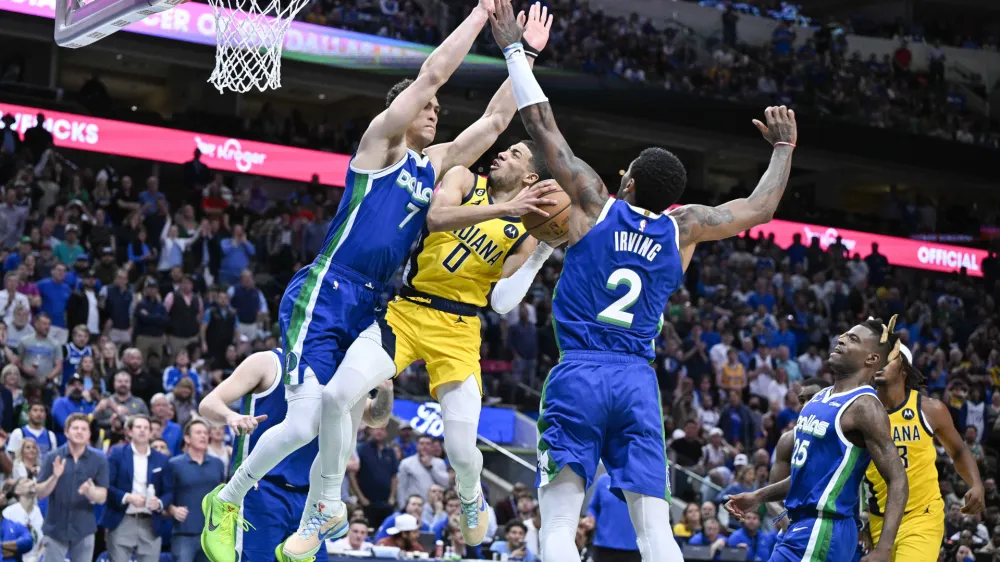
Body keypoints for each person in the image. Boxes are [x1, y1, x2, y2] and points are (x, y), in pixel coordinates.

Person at [201, 1, 553, 560]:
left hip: (372, 303)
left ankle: (322, 505)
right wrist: (482, 15)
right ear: (404, 108)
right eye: (428, 106)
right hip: (328, 289)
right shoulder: (380, 147)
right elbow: (433, 72)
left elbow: (493, 120)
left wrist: (526, 54)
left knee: (331, 410)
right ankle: (228, 497)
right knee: (300, 421)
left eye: (438, 108)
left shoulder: (437, 164)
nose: (436, 112)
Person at [490, 2, 798, 561]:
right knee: (655, 532)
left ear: (625, 182)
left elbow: (541, 125)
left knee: (558, 522)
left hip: (579, 373)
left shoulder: (593, 204)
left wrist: (515, 48)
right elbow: (759, 208)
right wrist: (783, 149)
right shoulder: (685, 229)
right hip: (637, 384)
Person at [382, 132, 561, 545]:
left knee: (462, 451)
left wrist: (540, 253)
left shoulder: (525, 229)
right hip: (411, 305)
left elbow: (500, 302)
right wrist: (504, 208)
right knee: (348, 388)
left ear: (531, 176)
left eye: (515, 153)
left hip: (459, 328)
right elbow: (436, 218)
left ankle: (470, 494)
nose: (501, 153)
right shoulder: (465, 179)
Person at [725, 317, 910, 562]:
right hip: (803, 527)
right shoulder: (819, 397)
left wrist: (885, 548)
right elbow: (807, 475)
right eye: (844, 334)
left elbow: (898, 479)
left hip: (824, 528)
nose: (841, 339)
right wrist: (758, 496)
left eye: (852, 339)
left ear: (871, 359)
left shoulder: (864, 406)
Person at [196, 350, 393, 562]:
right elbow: (207, 404)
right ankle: (223, 501)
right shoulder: (267, 362)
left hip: (311, 499)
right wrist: (231, 416)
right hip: (261, 490)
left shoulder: (341, 372)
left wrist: (386, 391)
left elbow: (375, 418)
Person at [861, 343, 985, 561]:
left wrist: (976, 484)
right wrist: (862, 521)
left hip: (922, 515)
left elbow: (958, 451)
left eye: (887, 359)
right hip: (879, 520)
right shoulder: (860, 413)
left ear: (904, 369)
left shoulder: (929, 409)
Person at [36, 412, 109, 562]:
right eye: (75, 428)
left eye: (84, 429)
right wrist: (54, 477)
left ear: (89, 434)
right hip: (55, 527)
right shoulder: (52, 456)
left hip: (84, 528)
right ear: (66, 432)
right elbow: (40, 493)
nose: (79, 432)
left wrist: (90, 492)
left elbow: (102, 497)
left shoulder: (100, 459)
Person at [102, 414, 173, 562]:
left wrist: (159, 503)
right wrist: (128, 497)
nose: (142, 431)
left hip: (151, 522)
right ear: (129, 431)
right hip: (122, 519)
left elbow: (169, 491)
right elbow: (107, 485)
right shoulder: (117, 453)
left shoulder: (162, 459)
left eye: (146, 428)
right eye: (138, 427)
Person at [764, 378, 825, 531]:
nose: (805, 404)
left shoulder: (846, 436)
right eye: (802, 399)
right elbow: (771, 498)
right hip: (797, 523)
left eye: (812, 398)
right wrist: (784, 519)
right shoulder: (788, 440)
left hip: (835, 521)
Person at [168, 420, 226, 562]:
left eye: (206, 433)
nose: (203, 436)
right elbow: (165, 496)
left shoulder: (217, 463)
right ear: (187, 438)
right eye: (198, 433)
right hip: (184, 532)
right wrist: (173, 509)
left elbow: (222, 494)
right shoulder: (174, 464)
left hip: (212, 533)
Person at [586, 473, 639, 562]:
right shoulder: (602, 481)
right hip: (603, 546)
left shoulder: (640, 481)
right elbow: (593, 507)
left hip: (633, 547)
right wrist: (591, 518)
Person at [395, 435, 448, 510]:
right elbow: (401, 487)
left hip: (434, 507)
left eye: (428, 444)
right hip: (414, 506)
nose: (424, 446)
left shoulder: (440, 463)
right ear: (417, 446)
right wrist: (402, 506)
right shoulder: (406, 463)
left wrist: (430, 467)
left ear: (432, 446)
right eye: (421, 443)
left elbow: (445, 483)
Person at [3, 478, 43, 562]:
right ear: (17, 490)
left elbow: (43, 542)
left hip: (35, 558)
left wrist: (38, 558)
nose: (32, 482)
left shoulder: (38, 511)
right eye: (27, 481)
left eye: (32, 480)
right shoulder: (9, 513)